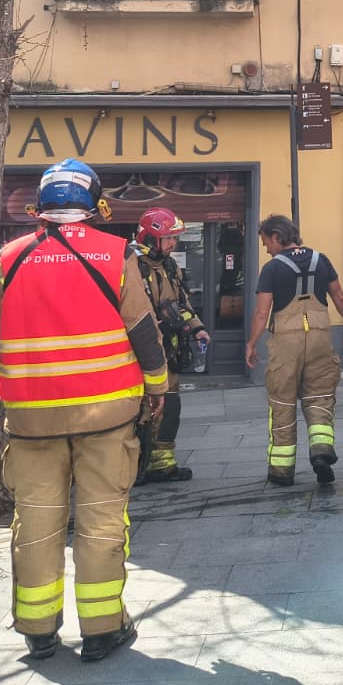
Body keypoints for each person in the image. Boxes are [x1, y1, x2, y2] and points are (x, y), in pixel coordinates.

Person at [0, 158, 168, 664]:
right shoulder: (115, 253)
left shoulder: (10, 256)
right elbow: (143, 331)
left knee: (36, 524)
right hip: (105, 415)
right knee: (101, 521)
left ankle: (38, 631)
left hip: (31, 419)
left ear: (39, 206)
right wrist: (158, 387)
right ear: (95, 204)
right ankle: (102, 630)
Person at [244, 214, 343, 487]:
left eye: (266, 242)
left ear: (277, 236)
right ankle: (321, 450)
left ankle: (281, 470)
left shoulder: (272, 268)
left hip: (286, 342)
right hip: (320, 337)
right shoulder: (321, 260)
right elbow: (339, 296)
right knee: (320, 396)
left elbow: (262, 313)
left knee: (283, 401)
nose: (266, 249)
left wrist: (251, 343)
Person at [132, 207, 210, 483]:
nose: (173, 243)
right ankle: (137, 467)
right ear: (150, 238)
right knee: (142, 410)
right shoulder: (131, 266)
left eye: (174, 238)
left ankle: (163, 464)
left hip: (170, 349)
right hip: (141, 352)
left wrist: (197, 327)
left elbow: (181, 302)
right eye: (167, 238)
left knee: (170, 406)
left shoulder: (170, 267)